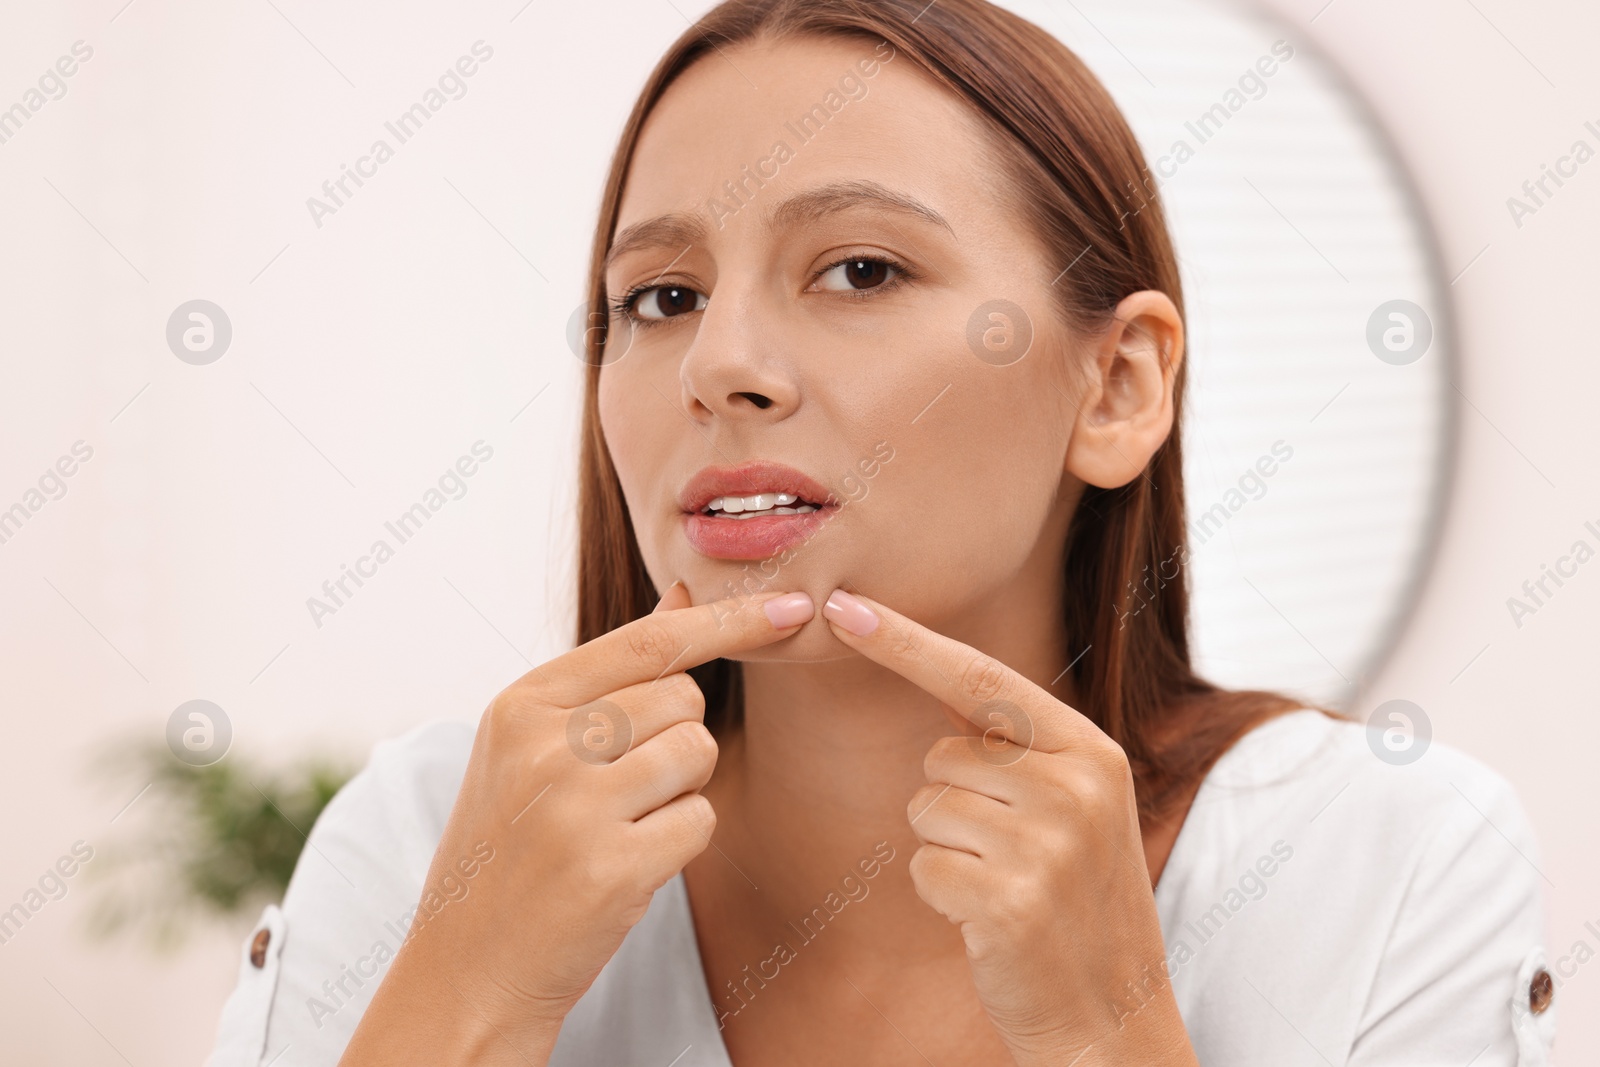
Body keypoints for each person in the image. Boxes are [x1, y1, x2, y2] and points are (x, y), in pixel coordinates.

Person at [205, 0, 1558, 1063]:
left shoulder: (1383, 862)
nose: (719, 363)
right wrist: (462, 1002)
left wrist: (1106, 1039)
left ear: (1118, 385)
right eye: (662, 295)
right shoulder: (420, 840)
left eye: (860, 269)